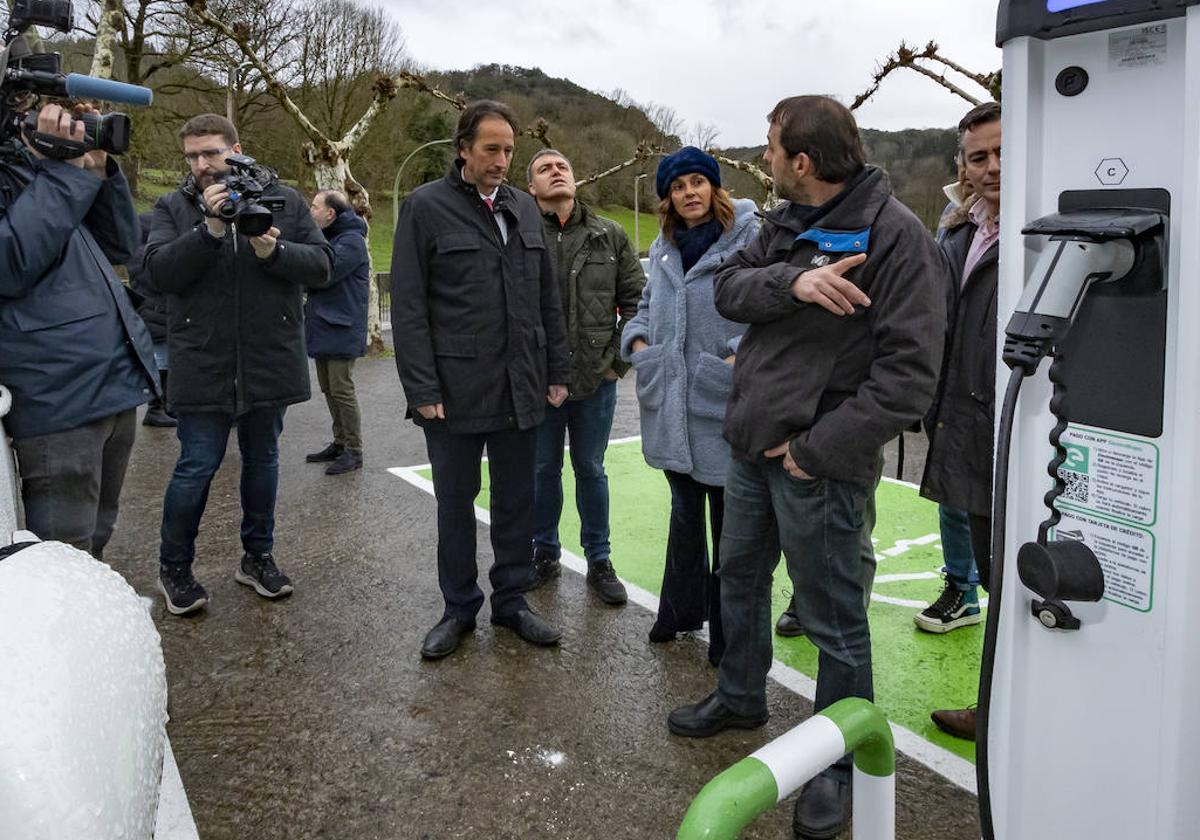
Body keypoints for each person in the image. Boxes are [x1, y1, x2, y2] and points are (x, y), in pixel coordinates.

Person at [668, 96, 945, 840]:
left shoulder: (897, 238)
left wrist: (815, 450)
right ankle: (739, 694)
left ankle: (840, 760)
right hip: (750, 446)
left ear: (804, 162)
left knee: (834, 622)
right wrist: (792, 284)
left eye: (770, 148)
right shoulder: (781, 224)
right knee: (739, 580)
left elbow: (909, 379)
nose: (762, 159)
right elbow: (729, 290)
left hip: (817, 466)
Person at [391, 100, 570, 661]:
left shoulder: (524, 206)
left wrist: (557, 370)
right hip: (455, 390)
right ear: (463, 149)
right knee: (455, 503)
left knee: (517, 500)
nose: (501, 160)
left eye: (509, 149)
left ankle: (511, 601)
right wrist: (422, 390)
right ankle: (459, 608)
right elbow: (410, 305)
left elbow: (547, 298)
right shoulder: (425, 207)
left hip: (521, 385)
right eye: (490, 149)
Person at [144, 113, 333, 615]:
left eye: (211, 152)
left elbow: (322, 266)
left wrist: (275, 250)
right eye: (192, 156)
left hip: (268, 359)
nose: (202, 165)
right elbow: (159, 272)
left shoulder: (285, 200)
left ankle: (258, 557)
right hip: (202, 360)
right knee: (195, 467)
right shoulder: (172, 206)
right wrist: (207, 229)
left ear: (237, 148)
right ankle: (175, 568)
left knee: (264, 463)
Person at [620, 147, 759, 666]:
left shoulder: (750, 238)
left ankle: (728, 638)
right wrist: (638, 345)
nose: (689, 194)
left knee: (730, 531)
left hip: (722, 403)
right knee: (683, 516)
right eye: (678, 187)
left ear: (715, 187)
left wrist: (735, 361)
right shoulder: (662, 245)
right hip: (671, 406)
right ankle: (679, 612)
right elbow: (643, 305)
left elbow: (770, 312)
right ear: (668, 199)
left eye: (698, 182)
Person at [0, 103, 158, 557]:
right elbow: (9, 265)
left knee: (97, 538)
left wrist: (97, 168)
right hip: (57, 399)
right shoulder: (39, 173)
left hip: (111, 383)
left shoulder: (35, 167)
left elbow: (121, 244)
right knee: (63, 559)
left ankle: (100, 625)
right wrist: (64, 172)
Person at [525, 148, 645, 606]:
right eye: (545, 169)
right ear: (531, 187)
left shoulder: (608, 234)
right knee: (542, 470)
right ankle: (544, 554)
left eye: (563, 167)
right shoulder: (519, 233)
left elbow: (636, 302)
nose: (556, 172)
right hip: (539, 381)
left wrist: (617, 363)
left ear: (574, 179)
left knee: (591, 469)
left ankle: (600, 559)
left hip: (596, 380)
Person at [921, 101, 1002, 739]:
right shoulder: (959, 233)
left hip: (1026, 434)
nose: (993, 167)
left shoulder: (1050, 227)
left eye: (1004, 152)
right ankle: (996, 708)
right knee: (997, 579)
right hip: (965, 427)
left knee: (1025, 582)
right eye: (979, 157)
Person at [304, 189, 370, 476]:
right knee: (329, 388)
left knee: (341, 389)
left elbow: (323, 274)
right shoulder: (333, 239)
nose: (311, 211)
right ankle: (340, 442)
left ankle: (354, 450)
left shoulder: (351, 242)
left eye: (315, 207)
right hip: (326, 325)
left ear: (330, 213)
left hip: (341, 327)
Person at [128, 210, 175, 428]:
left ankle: (163, 405)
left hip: (156, 309)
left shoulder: (139, 251)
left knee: (164, 360)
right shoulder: (145, 254)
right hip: (156, 311)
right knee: (161, 361)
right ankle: (156, 408)